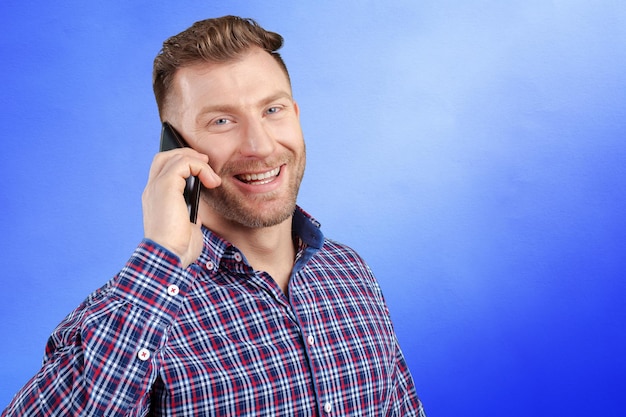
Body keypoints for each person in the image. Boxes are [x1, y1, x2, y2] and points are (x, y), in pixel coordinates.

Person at [2, 15, 426, 416]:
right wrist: (163, 254)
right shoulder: (132, 316)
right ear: (175, 148)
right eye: (222, 121)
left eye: (272, 110)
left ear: (295, 117)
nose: (259, 145)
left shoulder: (350, 272)